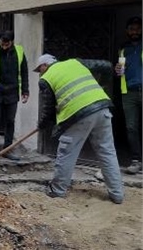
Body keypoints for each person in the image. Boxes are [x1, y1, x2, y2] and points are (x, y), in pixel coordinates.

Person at [34, 54, 124, 204]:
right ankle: (117, 194)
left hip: (79, 115)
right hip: (102, 107)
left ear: (44, 65)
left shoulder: (46, 79)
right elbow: (106, 64)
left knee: (67, 153)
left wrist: (42, 124)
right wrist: (103, 85)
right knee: (107, 151)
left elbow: (48, 108)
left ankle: (57, 190)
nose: (40, 73)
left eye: (39, 69)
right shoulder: (75, 62)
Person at [0, 30, 29, 160]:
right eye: (2, 43)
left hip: (12, 92)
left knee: (10, 121)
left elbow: (24, 72)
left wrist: (25, 91)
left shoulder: (19, 52)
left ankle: (8, 149)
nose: (4, 46)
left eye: (6, 44)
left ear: (12, 42)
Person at [115, 16, 142, 174]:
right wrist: (118, 71)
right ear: (127, 31)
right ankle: (136, 160)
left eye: (138, 28)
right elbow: (121, 70)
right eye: (132, 29)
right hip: (129, 93)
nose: (135, 32)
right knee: (131, 127)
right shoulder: (123, 48)